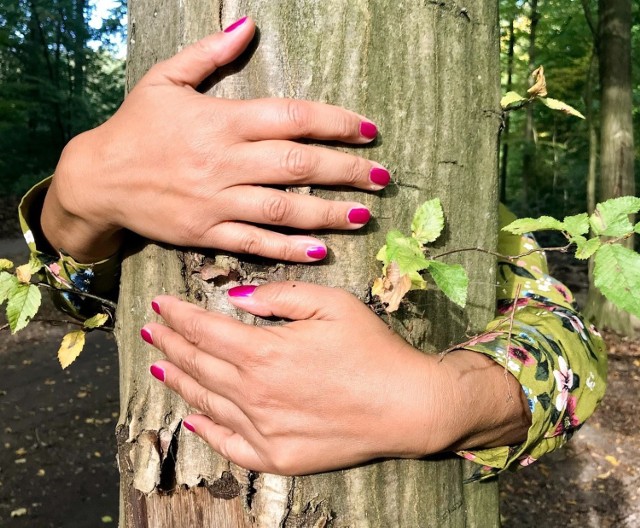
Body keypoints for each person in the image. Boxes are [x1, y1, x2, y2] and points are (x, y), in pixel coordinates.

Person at [19, 17, 606, 480]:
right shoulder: (145, 126)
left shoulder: (473, 207)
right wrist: (76, 195)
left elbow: (571, 339)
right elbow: (83, 299)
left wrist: (446, 406)